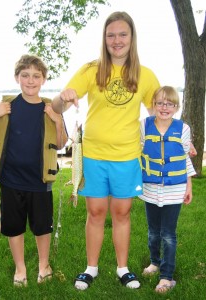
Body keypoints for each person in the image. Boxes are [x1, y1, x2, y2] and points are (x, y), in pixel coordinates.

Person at [52, 11, 160, 290]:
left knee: (122, 213)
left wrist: (181, 139)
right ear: (104, 39)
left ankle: (123, 269)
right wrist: (63, 98)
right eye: (111, 34)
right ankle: (91, 268)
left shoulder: (145, 75)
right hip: (93, 155)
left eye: (123, 34)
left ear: (132, 37)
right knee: (96, 212)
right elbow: (58, 105)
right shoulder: (91, 69)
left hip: (126, 156)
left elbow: (158, 114)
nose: (117, 40)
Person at [0, 54, 68, 286]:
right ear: (17, 78)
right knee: (14, 226)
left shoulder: (51, 108)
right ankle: (20, 269)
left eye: (36, 76)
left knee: (42, 226)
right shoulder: (7, 106)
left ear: (43, 79)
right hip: (10, 179)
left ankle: (44, 265)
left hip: (41, 180)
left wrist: (57, 120)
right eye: (25, 75)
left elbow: (61, 144)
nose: (31, 81)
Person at [139, 86, 196, 293]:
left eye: (170, 104)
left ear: (176, 107)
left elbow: (185, 159)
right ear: (153, 105)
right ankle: (154, 262)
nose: (164, 107)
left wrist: (189, 185)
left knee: (168, 234)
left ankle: (166, 277)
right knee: (153, 232)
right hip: (150, 188)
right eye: (160, 103)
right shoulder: (144, 126)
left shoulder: (184, 128)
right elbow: (136, 151)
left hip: (175, 189)